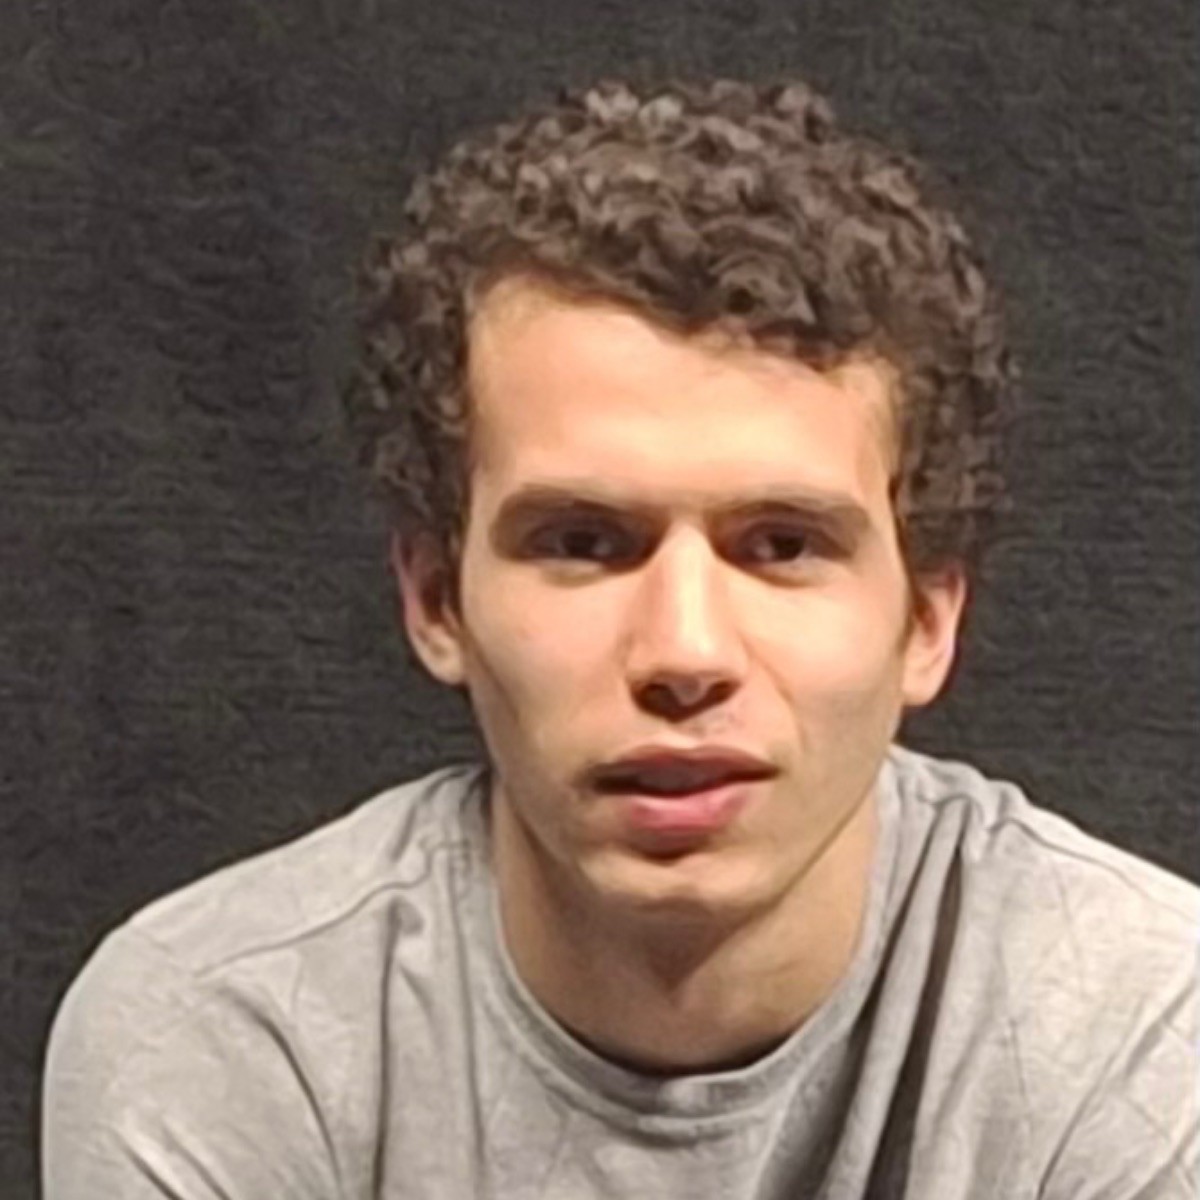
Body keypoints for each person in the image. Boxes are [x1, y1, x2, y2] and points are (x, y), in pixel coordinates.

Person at [43, 77, 1197, 1199]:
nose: (684, 653)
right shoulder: (232, 1037)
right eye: (586, 542)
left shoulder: (1137, 1025)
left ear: (929, 619)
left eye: (781, 545)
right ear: (438, 599)